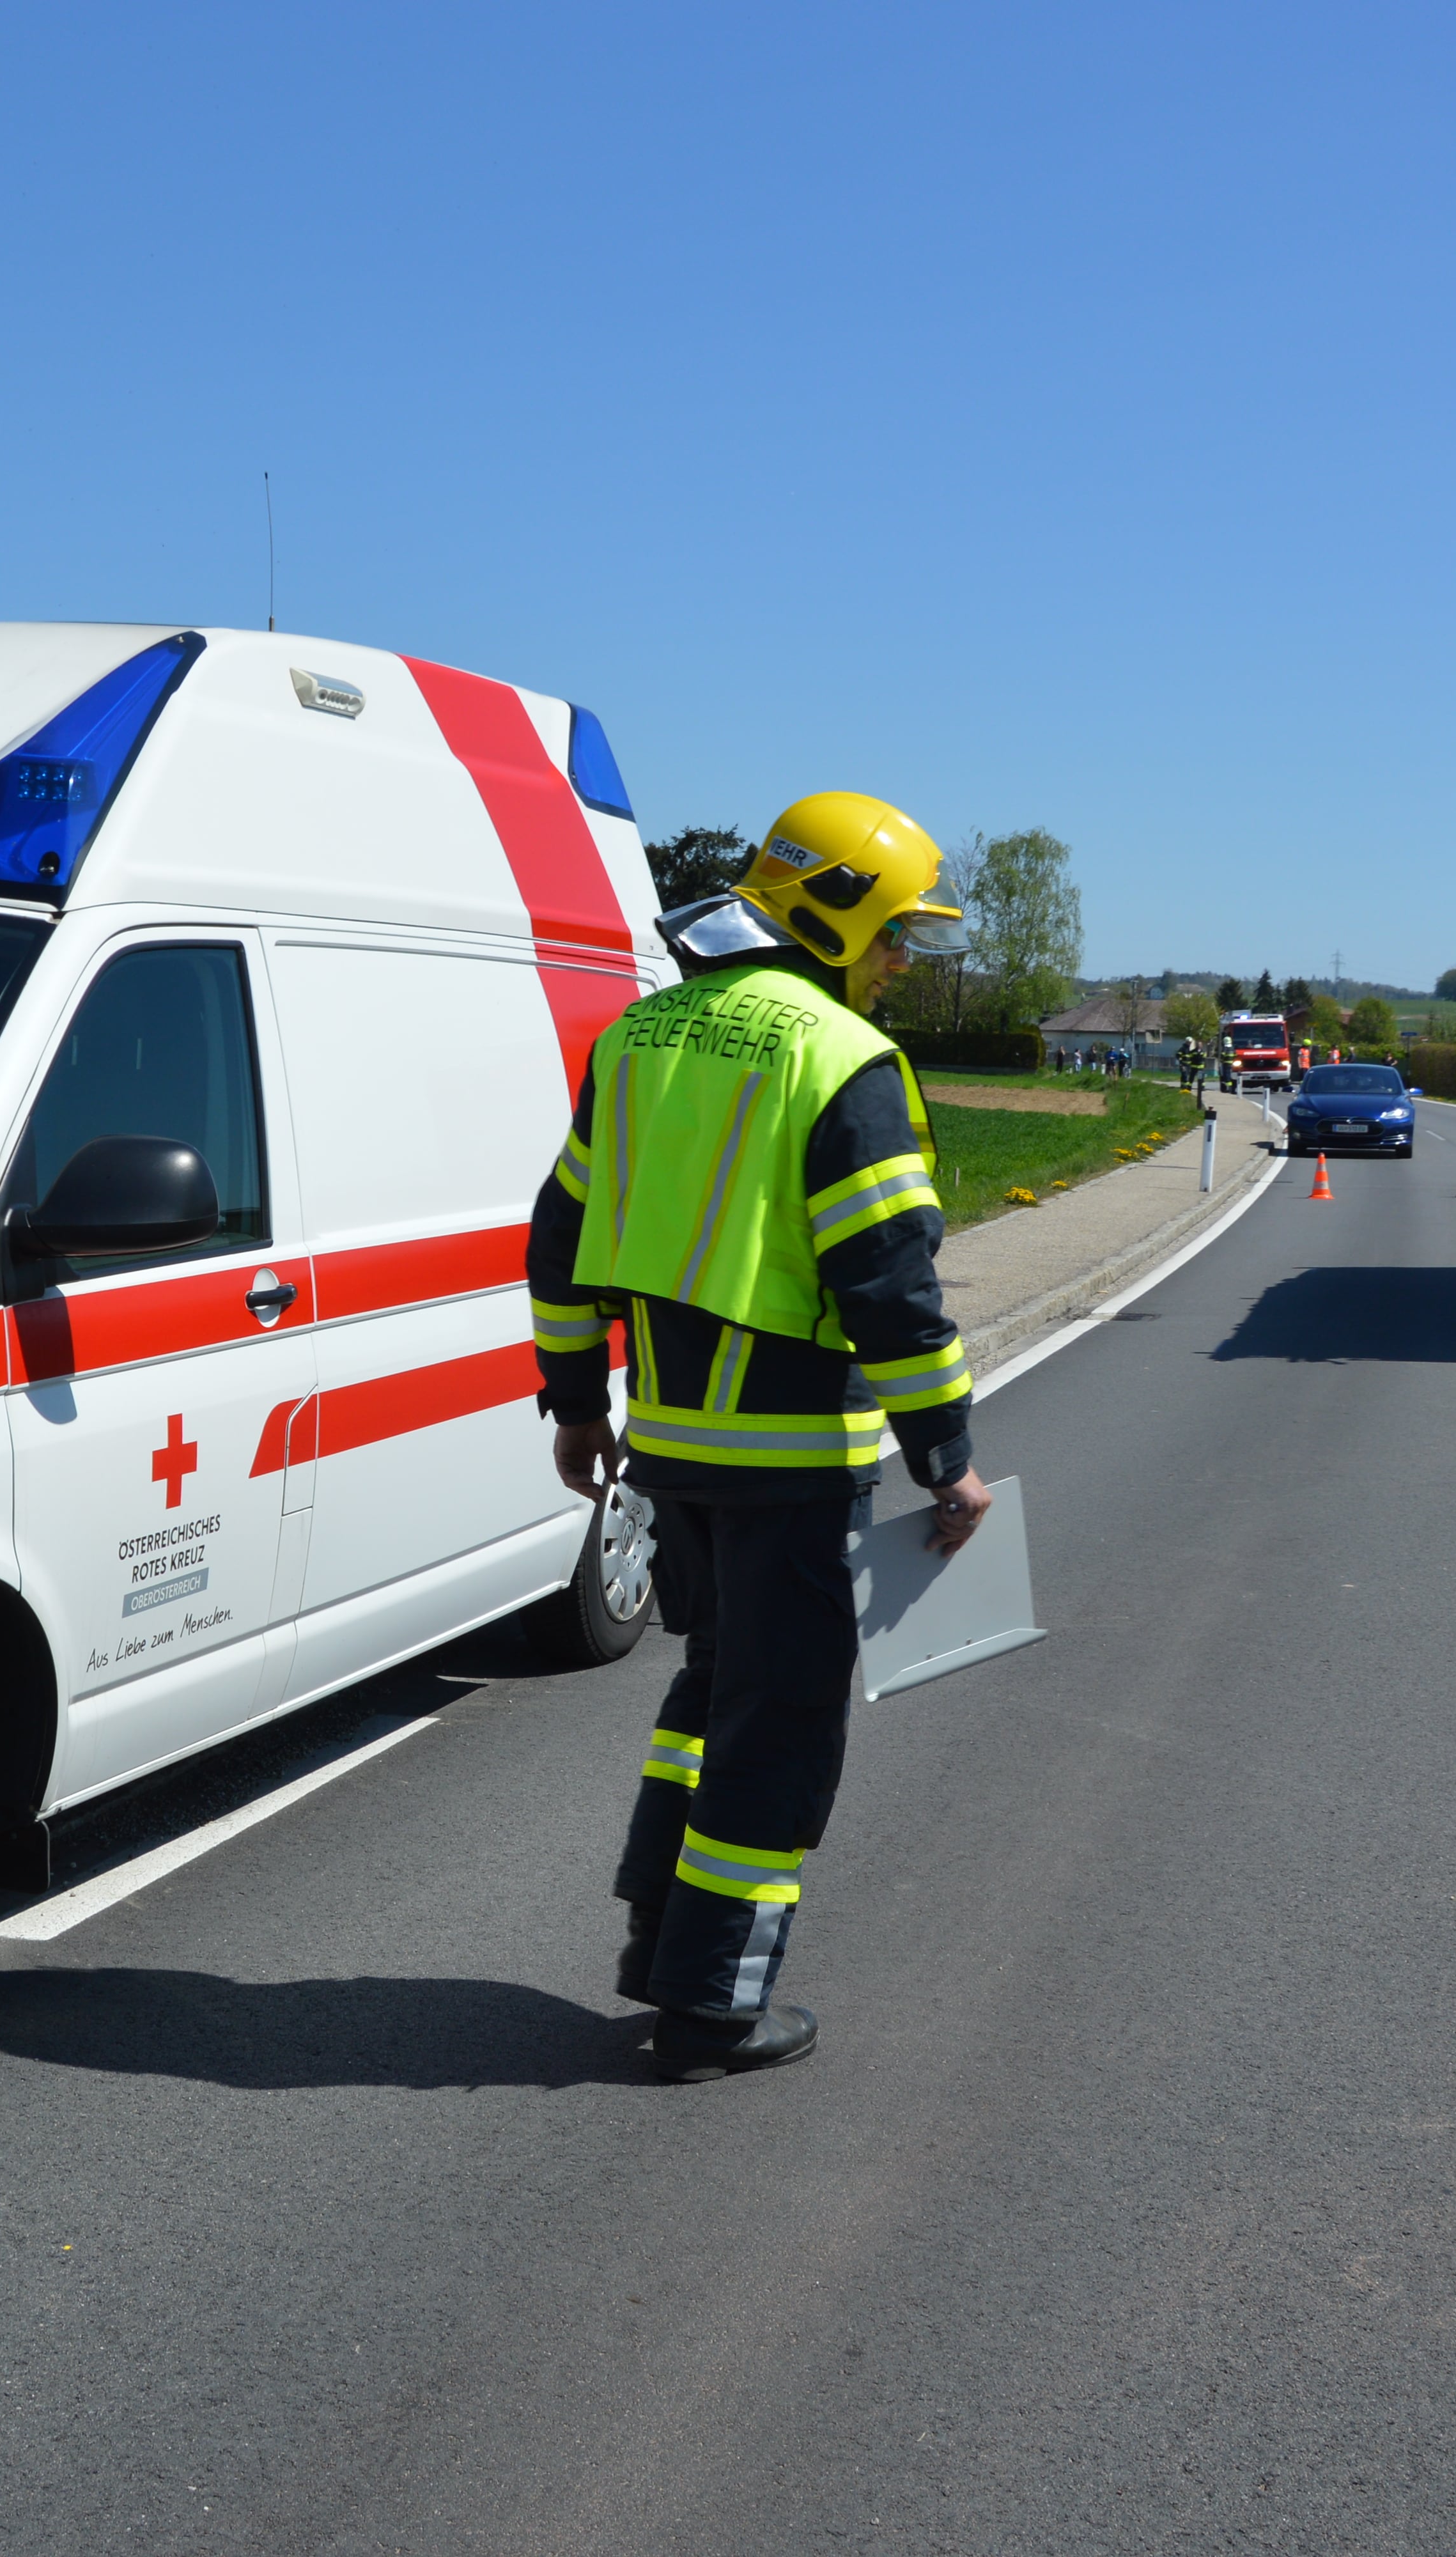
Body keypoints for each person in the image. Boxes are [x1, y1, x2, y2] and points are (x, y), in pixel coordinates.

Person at [526, 793, 995, 2083]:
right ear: (831, 910)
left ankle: (656, 1930)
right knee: (779, 1717)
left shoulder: (637, 1034)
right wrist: (943, 1455)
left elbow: (558, 1240)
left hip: (668, 1451)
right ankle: (713, 2001)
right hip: (787, 1462)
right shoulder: (838, 1056)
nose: (901, 960)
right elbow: (888, 1287)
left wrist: (575, 1403)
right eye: (895, 931)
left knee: (707, 1693)